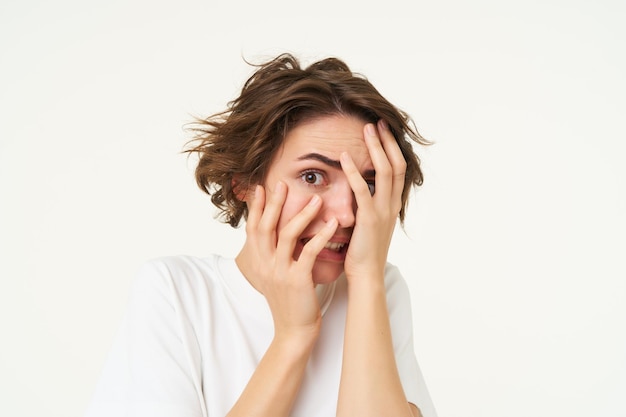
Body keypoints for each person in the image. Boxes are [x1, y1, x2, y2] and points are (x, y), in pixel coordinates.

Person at [85, 53, 437, 417]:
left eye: (367, 183)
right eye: (313, 176)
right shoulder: (176, 292)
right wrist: (292, 337)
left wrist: (366, 279)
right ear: (244, 184)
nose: (347, 214)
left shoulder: (377, 289)